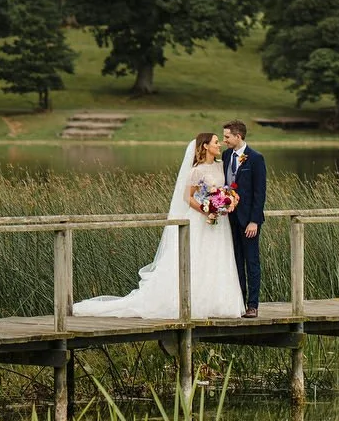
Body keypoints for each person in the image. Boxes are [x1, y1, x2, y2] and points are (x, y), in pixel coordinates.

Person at [72, 134, 244, 320]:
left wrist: (229, 200)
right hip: (201, 219)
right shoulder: (197, 170)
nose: (219, 145)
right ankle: (192, 303)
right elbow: (187, 197)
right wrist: (206, 209)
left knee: (217, 257)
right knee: (198, 257)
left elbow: (226, 189)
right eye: (216, 142)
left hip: (219, 223)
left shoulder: (220, 165)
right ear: (205, 146)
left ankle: (218, 303)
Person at [221, 120, 266, 317]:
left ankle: (253, 305)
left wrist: (254, 221)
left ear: (238, 137)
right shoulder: (225, 156)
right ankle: (239, 303)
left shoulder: (256, 158)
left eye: (227, 137)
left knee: (251, 262)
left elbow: (260, 192)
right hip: (229, 220)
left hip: (249, 221)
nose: (224, 141)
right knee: (236, 262)